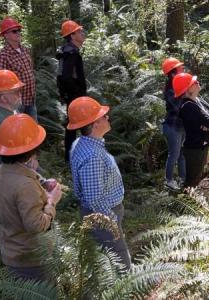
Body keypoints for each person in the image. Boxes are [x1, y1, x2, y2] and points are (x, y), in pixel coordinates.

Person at [0, 114, 62, 282]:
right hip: (31, 260)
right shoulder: (25, 185)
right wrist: (52, 200)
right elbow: (36, 225)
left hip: (11, 251)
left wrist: (41, 183)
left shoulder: (1, 171)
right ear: (31, 153)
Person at [68, 96, 131, 270]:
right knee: (118, 259)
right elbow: (95, 198)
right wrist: (111, 221)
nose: (107, 117)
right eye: (103, 116)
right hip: (102, 216)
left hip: (100, 214)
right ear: (94, 123)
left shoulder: (82, 143)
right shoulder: (93, 156)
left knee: (106, 258)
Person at [175, 73, 209, 188]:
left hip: (200, 147)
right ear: (187, 89)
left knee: (195, 177)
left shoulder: (197, 100)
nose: (197, 83)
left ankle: (189, 200)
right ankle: (185, 203)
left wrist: (207, 123)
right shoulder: (188, 106)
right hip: (195, 149)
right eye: (193, 83)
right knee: (192, 181)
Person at [0, 17, 37, 120]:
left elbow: (30, 71)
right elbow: (2, 86)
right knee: (19, 133)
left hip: (31, 100)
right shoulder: (2, 56)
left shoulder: (25, 50)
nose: (18, 33)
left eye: (19, 30)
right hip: (16, 104)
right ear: (5, 35)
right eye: (14, 31)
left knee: (33, 130)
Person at [56, 20, 87, 162]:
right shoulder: (71, 53)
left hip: (71, 94)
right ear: (72, 35)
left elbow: (62, 76)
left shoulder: (67, 51)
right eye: (79, 31)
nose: (83, 33)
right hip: (75, 95)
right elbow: (66, 77)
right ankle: (73, 157)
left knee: (73, 125)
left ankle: (70, 156)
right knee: (77, 125)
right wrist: (78, 93)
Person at [161, 57, 186, 190]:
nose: (183, 69)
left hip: (181, 127)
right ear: (172, 73)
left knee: (182, 154)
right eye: (180, 68)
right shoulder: (170, 90)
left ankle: (183, 180)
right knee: (174, 154)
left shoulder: (182, 86)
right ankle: (169, 180)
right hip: (172, 127)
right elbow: (179, 108)